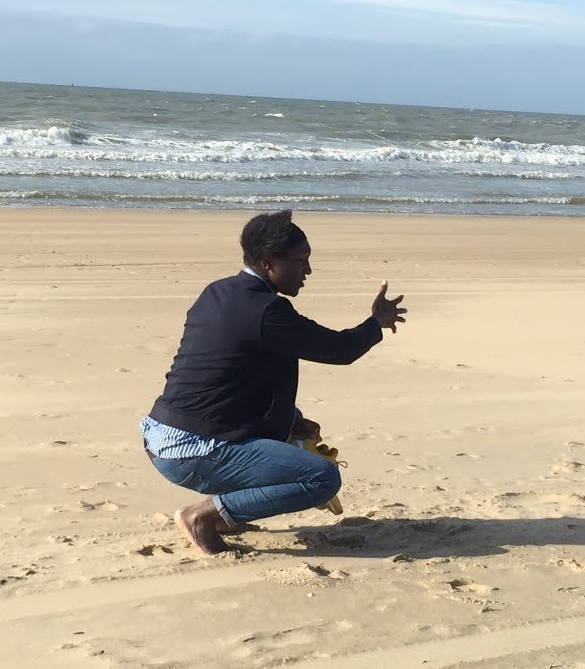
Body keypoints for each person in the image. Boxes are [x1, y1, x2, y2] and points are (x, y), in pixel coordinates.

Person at [141, 210, 407, 555]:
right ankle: (202, 516)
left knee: (288, 434)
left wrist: (291, 418)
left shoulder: (218, 291)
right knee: (322, 478)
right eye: (300, 261)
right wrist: (376, 322)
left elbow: (225, 377)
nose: (307, 271)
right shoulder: (266, 310)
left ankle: (226, 514)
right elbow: (340, 349)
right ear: (269, 263)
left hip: (162, 436)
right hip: (193, 449)